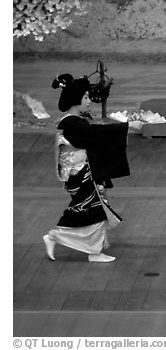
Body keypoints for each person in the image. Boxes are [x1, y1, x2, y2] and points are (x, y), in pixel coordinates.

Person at [42, 74, 144, 263]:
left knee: (92, 208)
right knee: (93, 209)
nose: (89, 101)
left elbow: (96, 133)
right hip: (80, 173)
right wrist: (127, 127)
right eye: (86, 97)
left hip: (83, 171)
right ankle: (75, 244)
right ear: (76, 100)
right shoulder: (72, 123)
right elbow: (97, 134)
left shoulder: (74, 121)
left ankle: (75, 242)